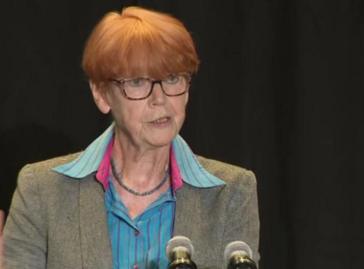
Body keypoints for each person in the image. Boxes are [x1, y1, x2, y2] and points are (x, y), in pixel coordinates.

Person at [3, 6, 259, 269]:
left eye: (172, 78)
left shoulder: (232, 193)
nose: (160, 99)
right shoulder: (41, 191)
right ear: (101, 94)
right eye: (137, 82)